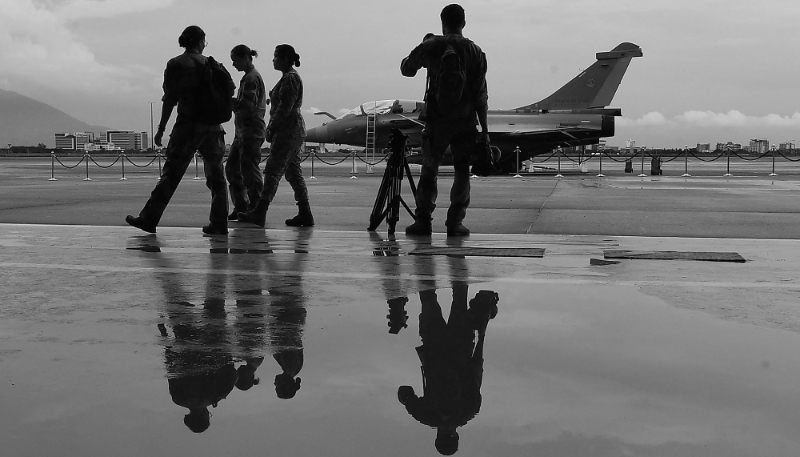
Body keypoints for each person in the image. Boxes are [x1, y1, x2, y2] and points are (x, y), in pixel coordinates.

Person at [126, 25, 232, 235]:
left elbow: (170, 99)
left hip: (188, 126)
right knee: (218, 176)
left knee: (172, 174)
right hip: (213, 127)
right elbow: (229, 90)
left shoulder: (176, 64)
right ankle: (220, 222)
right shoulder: (214, 64)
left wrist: (161, 128)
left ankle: (149, 218)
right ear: (201, 42)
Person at [400, 4, 489, 237]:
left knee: (429, 169)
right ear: (464, 23)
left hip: (436, 119)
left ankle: (423, 221)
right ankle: (455, 223)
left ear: (442, 21)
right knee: (462, 171)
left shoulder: (432, 46)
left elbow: (406, 70)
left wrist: (424, 47)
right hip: (465, 121)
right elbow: (481, 96)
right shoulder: (475, 51)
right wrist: (485, 131)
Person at [238, 44, 314, 228]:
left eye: (276, 57)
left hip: (288, 130)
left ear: (285, 59)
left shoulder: (290, 79)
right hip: (291, 129)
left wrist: (271, 128)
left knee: (273, 170)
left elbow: (284, 108)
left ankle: (260, 211)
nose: (273, 60)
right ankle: (305, 213)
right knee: (293, 172)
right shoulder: (288, 79)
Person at [226, 44, 267, 220]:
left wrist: (228, 101)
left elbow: (247, 107)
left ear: (245, 58)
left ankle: (256, 208)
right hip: (242, 133)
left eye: (235, 61)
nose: (234, 65)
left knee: (250, 172)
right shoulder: (248, 77)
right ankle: (242, 206)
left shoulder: (251, 79)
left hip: (251, 133)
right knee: (233, 169)